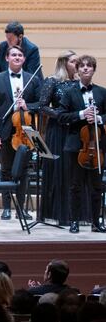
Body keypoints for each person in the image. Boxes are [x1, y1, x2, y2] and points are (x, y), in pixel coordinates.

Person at [0, 44, 41, 221]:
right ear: (7, 58)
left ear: (24, 59)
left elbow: (41, 104)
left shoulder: (33, 79)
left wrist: (28, 106)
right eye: (13, 55)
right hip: (5, 132)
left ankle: (21, 209)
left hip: (25, 132)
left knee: (24, 172)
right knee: (6, 171)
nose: (17, 57)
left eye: (20, 55)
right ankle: (7, 208)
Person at [58, 55, 106, 233]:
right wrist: (81, 114)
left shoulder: (102, 92)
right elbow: (61, 116)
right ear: (77, 70)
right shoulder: (69, 93)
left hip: (97, 146)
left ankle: (96, 222)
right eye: (82, 66)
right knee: (75, 186)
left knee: (96, 187)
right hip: (75, 145)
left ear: (94, 69)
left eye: (89, 66)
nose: (85, 69)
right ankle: (74, 221)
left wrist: (99, 118)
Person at [39, 50, 81, 225]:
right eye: (74, 62)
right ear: (64, 63)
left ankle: (74, 214)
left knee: (74, 172)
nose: (77, 65)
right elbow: (42, 106)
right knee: (59, 170)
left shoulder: (80, 83)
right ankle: (58, 213)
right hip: (57, 131)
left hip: (75, 130)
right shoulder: (53, 81)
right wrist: (60, 115)